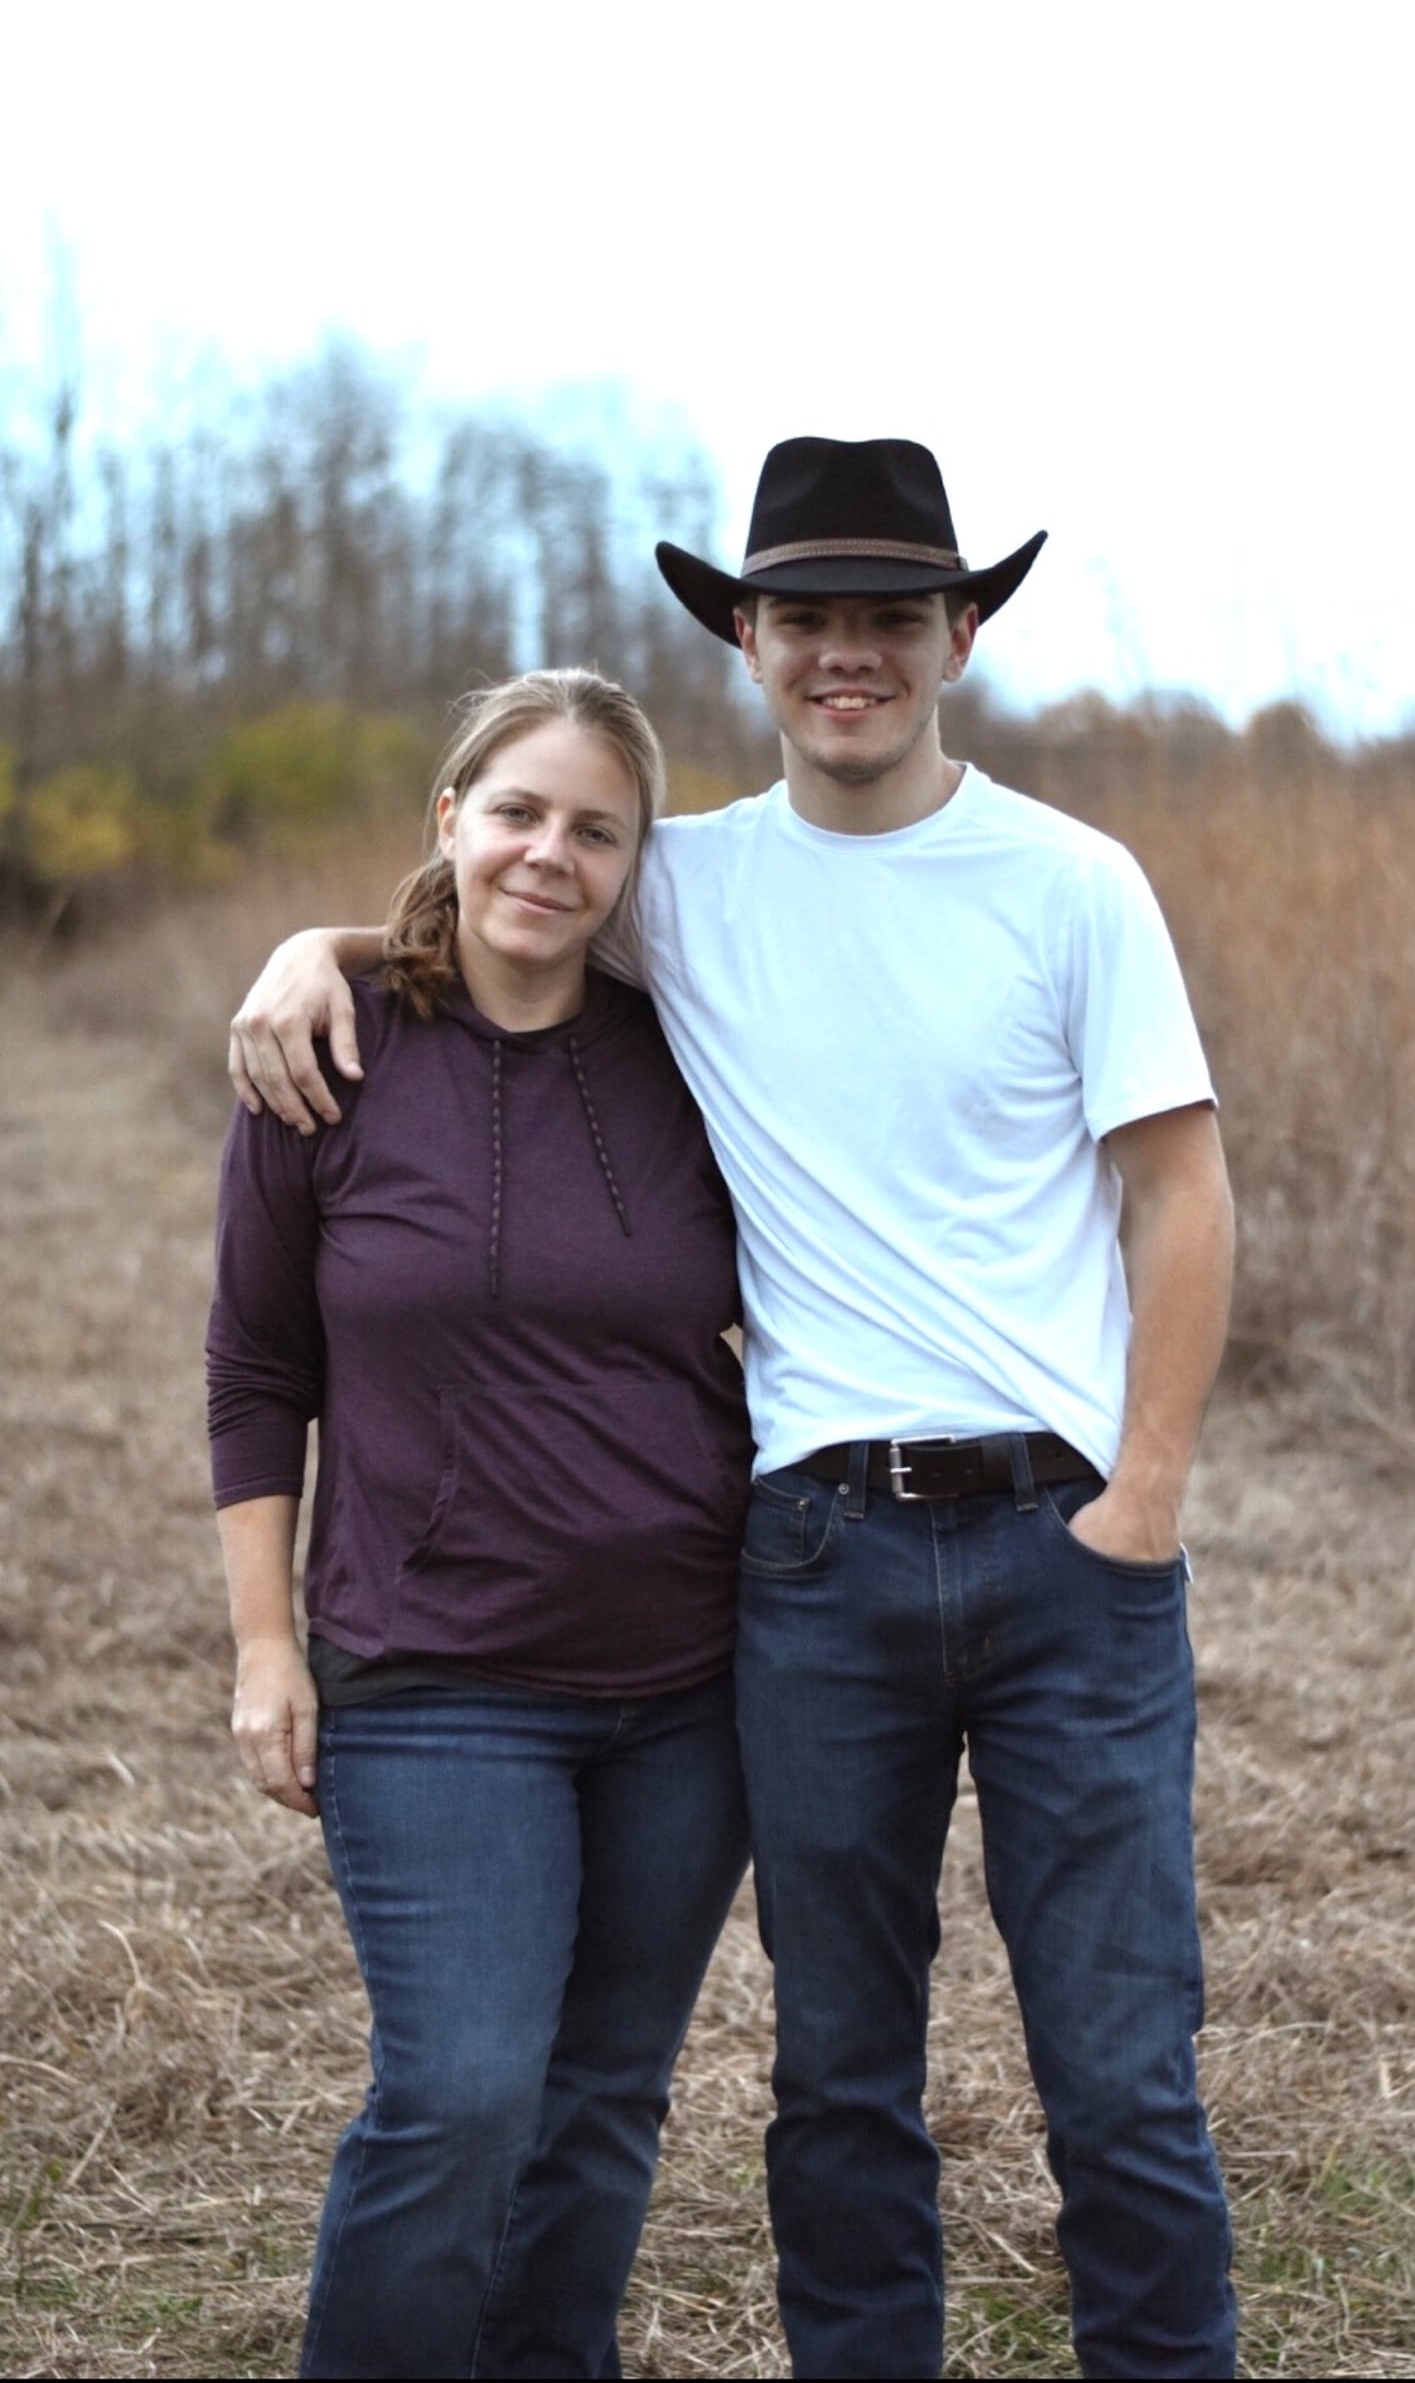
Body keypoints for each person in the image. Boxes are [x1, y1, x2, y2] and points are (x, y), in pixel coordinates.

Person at [230, 438, 1238, 2379]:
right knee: (838, 2073)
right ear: (751, 643)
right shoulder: (681, 882)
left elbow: (1175, 1185)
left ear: (953, 634)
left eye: (885, 619)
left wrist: (1148, 1502)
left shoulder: (1067, 883)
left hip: (1067, 1551)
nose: (843, 655)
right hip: (814, 1557)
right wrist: (318, 947)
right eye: (805, 620)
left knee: (1117, 2066)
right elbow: (500, 907)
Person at [208, 669, 753, 2380]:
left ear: (638, 864)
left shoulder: (703, 1054)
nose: (550, 853)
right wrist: (263, 1645)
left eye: (598, 829)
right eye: (518, 810)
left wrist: (341, 930)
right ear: (449, 817)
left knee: (602, 2104)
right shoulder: (326, 1056)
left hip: (692, 1677)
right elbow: (253, 1365)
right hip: (435, 1676)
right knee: (461, 2093)